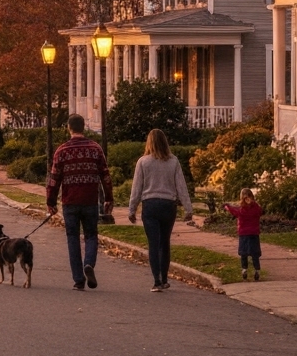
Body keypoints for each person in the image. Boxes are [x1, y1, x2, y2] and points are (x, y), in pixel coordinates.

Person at [46, 114, 112, 291]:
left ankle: (78, 279)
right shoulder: (95, 148)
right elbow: (105, 175)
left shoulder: (62, 151)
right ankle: (88, 263)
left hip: (70, 201)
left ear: (69, 128)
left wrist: (50, 201)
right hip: (90, 200)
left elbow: (54, 179)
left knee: (72, 239)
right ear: (84, 127)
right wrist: (108, 198)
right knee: (91, 236)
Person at [127, 129, 194, 292]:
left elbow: (136, 188)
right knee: (165, 243)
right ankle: (164, 278)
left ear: (149, 143)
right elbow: (181, 186)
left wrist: (132, 209)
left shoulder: (143, 162)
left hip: (150, 205)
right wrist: (188, 208)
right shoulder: (173, 161)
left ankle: (156, 281)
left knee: (153, 244)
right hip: (168, 205)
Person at [225, 188, 264, 281]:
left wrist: (227, 207)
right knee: (255, 253)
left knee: (244, 253)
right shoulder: (256, 207)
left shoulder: (241, 209)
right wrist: (253, 203)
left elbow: (234, 211)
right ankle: (257, 270)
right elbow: (260, 211)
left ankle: (244, 269)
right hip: (254, 233)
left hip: (244, 234)